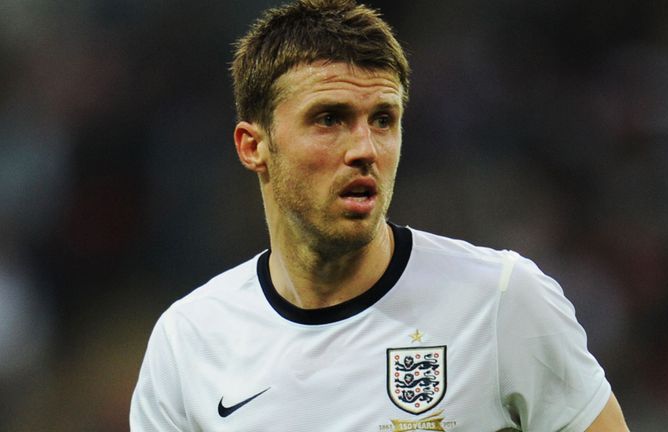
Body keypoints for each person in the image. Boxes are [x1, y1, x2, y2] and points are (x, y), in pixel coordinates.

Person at [130, 0, 630, 430]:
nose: (365, 148)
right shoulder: (189, 341)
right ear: (253, 145)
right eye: (330, 119)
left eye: (384, 120)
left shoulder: (501, 300)